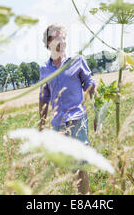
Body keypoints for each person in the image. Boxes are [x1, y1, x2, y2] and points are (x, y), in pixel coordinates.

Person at [38, 23, 96, 195]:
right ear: (48, 42)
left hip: (77, 119)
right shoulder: (44, 68)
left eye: (63, 37)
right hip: (58, 123)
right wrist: (41, 125)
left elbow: (90, 84)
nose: (61, 41)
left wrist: (95, 111)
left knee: (79, 165)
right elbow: (43, 97)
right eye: (56, 37)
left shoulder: (77, 61)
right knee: (72, 166)